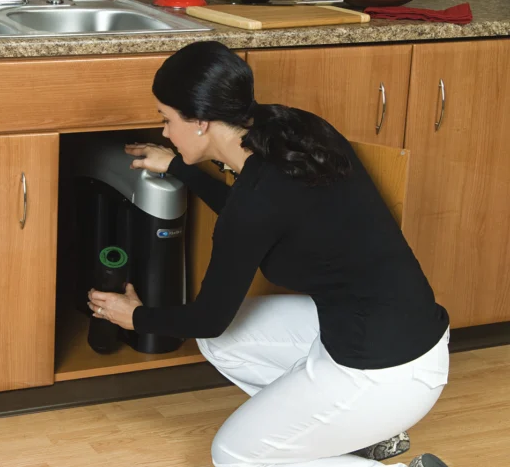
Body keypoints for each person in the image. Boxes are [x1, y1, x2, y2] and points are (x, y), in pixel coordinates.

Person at [87, 41, 451, 467]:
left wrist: (133, 316)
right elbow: (258, 214)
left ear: (202, 121)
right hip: (402, 335)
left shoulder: (255, 203)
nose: (165, 132)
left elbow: (207, 315)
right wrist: (179, 167)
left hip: (384, 373)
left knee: (237, 456)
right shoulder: (295, 129)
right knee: (225, 344)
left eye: (167, 120)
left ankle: (377, 437)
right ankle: (356, 436)